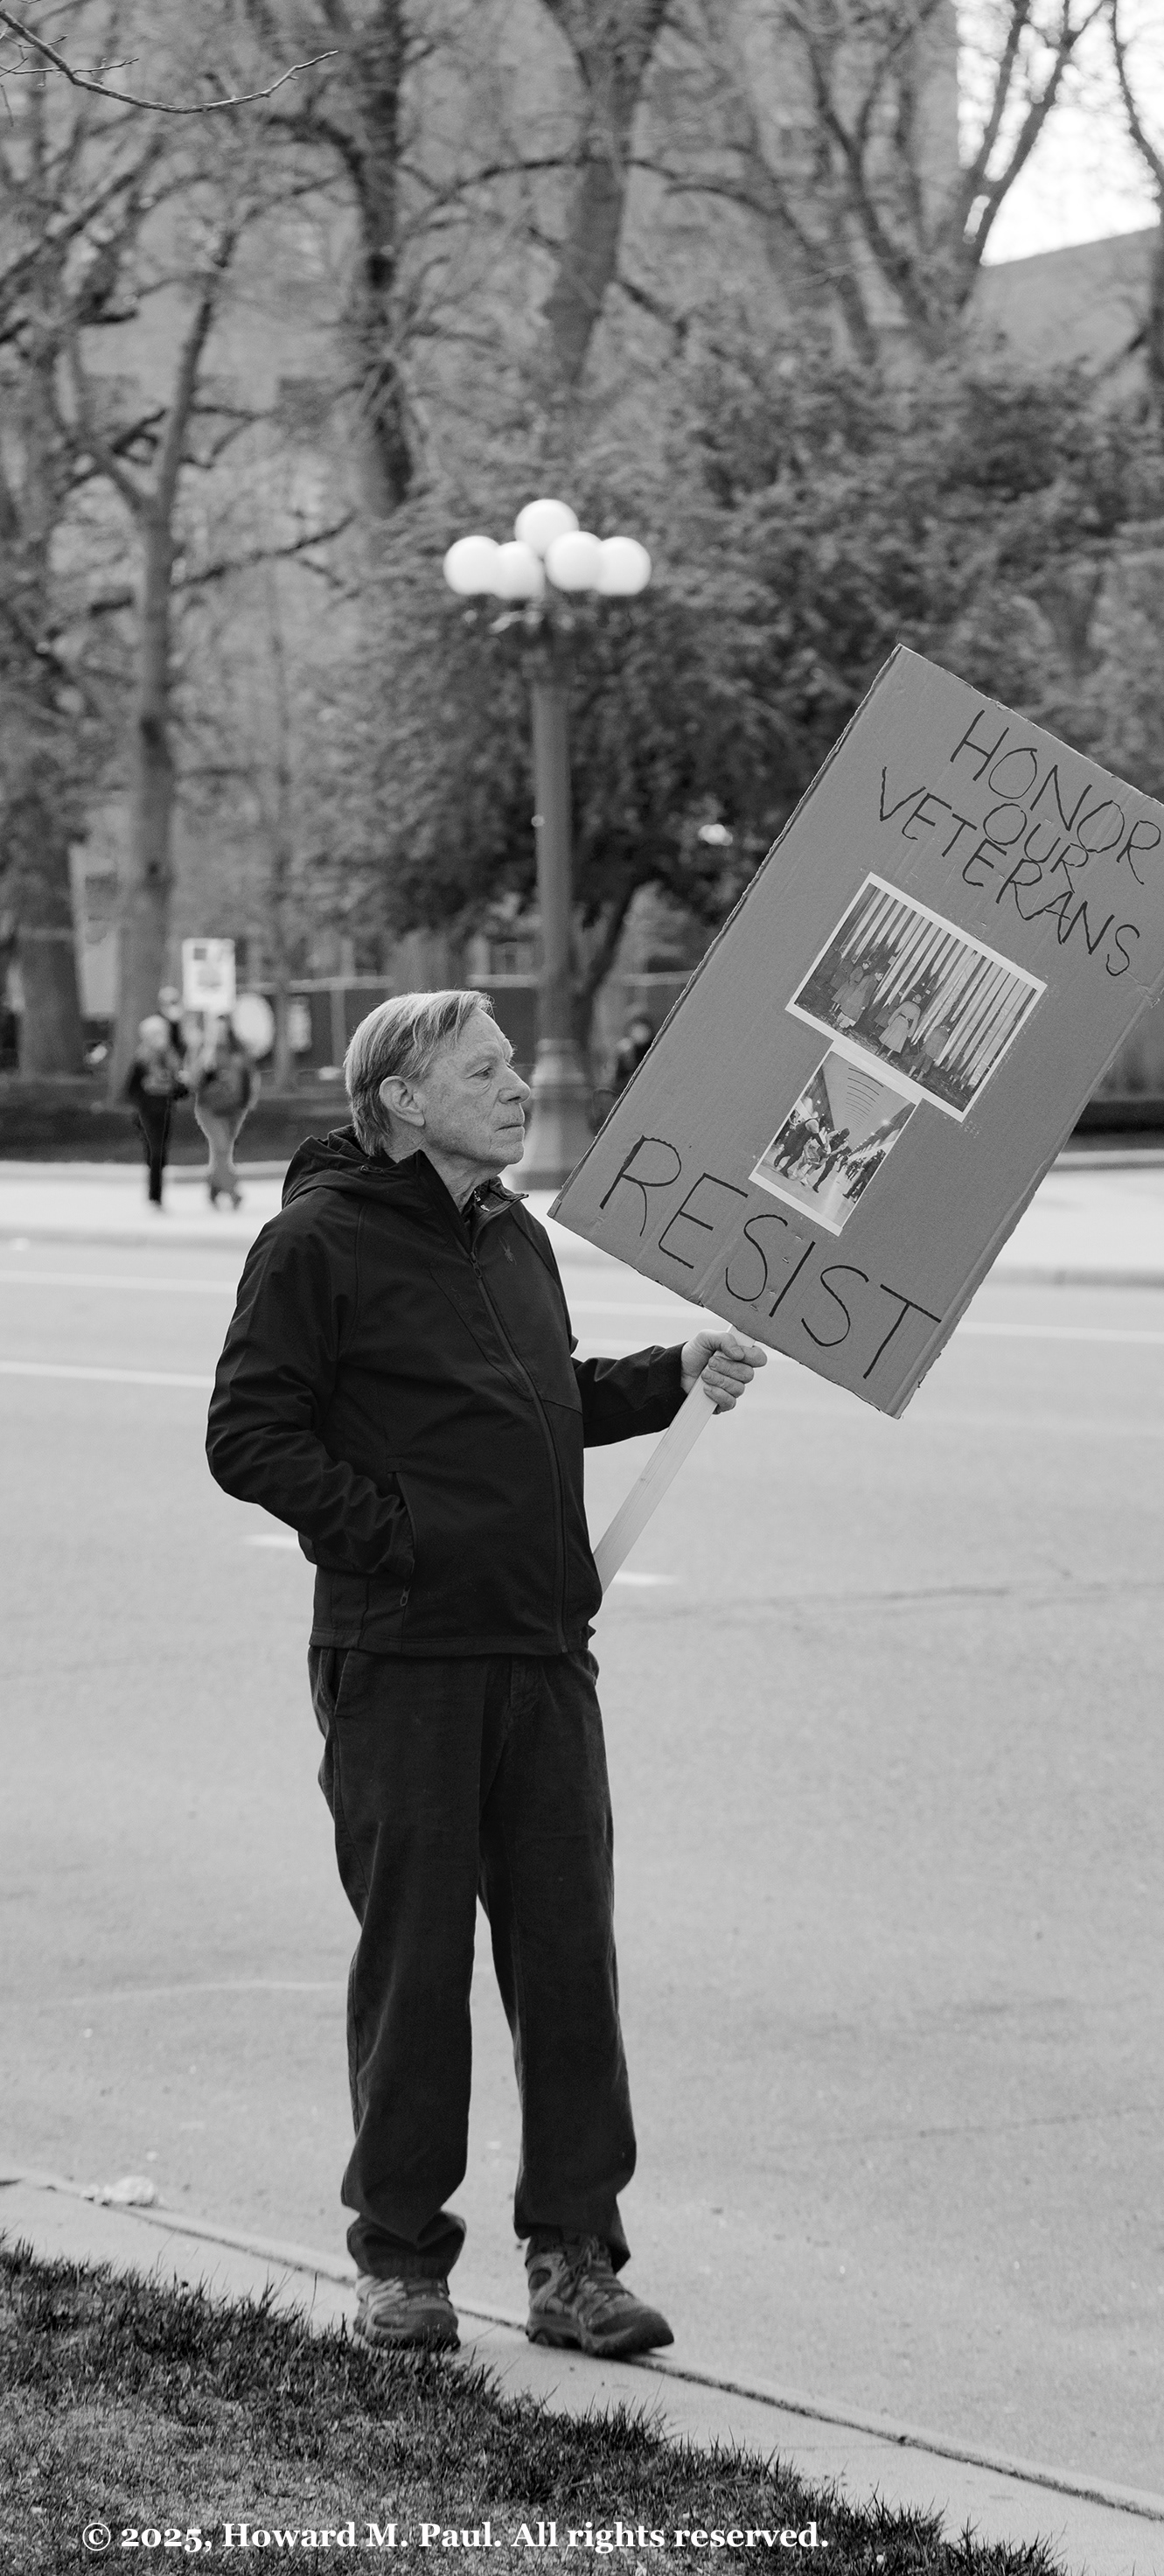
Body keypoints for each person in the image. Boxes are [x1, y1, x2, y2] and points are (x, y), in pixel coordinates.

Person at [206, 989, 765, 2360]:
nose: (520, 1085)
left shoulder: (512, 1235)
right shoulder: (316, 1243)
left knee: (570, 1965)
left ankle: (574, 2260)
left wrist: (670, 1374)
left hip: (540, 1654)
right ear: (400, 1096)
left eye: (515, 1063)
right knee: (415, 1968)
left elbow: (542, 1396)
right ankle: (400, 2262)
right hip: (403, 1659)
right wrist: (396, 1537)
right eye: (487, 1067)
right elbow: (247, 1435)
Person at [190, 1015, 257, 1208]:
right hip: (209, 1108)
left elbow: (249, 1076)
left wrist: (247, 1101)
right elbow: (193, 1081)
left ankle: (213, 1189)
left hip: (234, 1108)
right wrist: (205, 1057)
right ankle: (233, 1192)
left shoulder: (238, 1050)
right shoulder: (203, 1049)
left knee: (223, 1152)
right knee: (220, 1147)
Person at [122, 1014, 187, 1206]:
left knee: (161, 1154)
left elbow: (181, 1091)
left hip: (165, 1110)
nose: (157, 1038)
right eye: (153, 1034)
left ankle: (156, 1194)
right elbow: (130, 1090)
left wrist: (173, 1087)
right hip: (147, 1112)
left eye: (160, 1033)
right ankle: (155, 1195)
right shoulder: (141, 1059)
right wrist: (146, 1092)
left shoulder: (171, 1058)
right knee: (155, 1151)